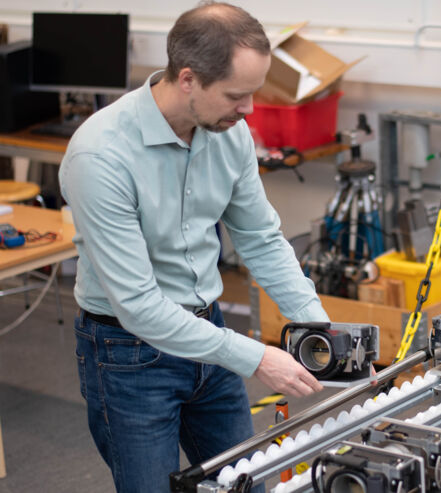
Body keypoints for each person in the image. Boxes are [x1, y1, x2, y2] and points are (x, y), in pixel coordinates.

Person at [58, 3, 328, 492]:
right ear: (187, 80)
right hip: (128, 354)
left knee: (244, 486)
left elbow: (261, 238)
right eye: (236, 95)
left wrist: (320, 327)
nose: (249, 110)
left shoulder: (229, 133)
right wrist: (257, 358)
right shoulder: (100, 156)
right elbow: (139, 305)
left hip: (210, 336)